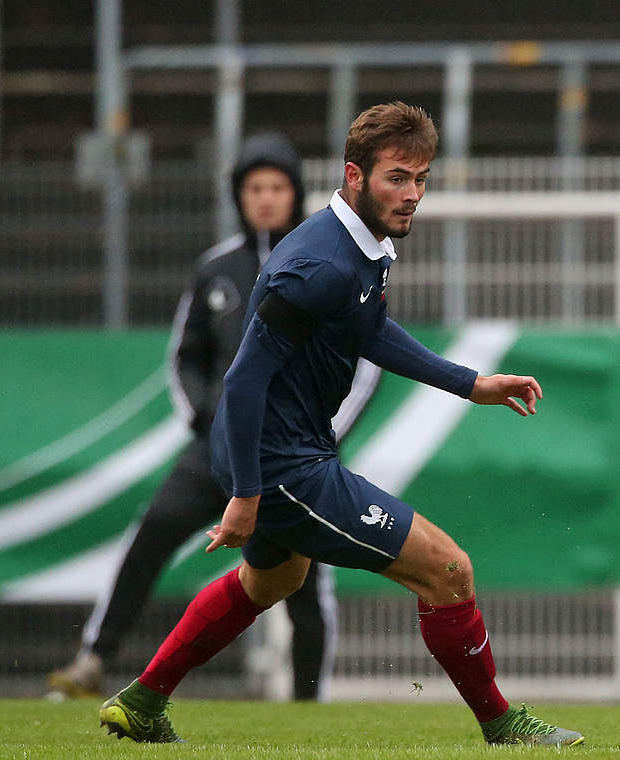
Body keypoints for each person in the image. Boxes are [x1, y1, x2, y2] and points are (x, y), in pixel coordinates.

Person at [95, 102, 583, 747]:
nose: (411, 195)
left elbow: (370, 332)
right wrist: (246, 494)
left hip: (293, 449)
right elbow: (241, 379)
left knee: (276, 578)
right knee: (448, 570)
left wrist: (473, 384)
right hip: (281, 464)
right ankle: (502, 725)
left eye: (421, 179)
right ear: (354, 175)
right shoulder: (317, 265)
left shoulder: (362, 244)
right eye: (396, 179)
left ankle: (143, 701)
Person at [47, 133, 379, 703]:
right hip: (219, 451)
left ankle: (308, 703)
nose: (267, 198)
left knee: (306, 579)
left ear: (296, 193)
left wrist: (320, 435)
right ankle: (94, 660)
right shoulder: (216, 269)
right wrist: (209, 419)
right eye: (255, 187)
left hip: (302, 454)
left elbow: (366, 362)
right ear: (240, 196)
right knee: (150, 535)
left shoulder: (329, 261)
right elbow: (185, 357)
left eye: (277, 186)